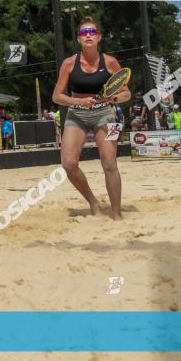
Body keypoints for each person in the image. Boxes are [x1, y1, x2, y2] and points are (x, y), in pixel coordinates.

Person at [52, 17, 130, 220]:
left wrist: (112, 97)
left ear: (99, 37)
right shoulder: (69, 63)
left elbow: (126, 94)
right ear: (79, 38)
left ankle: (117, 214)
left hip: (106, 113)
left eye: (92, 32)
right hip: (76, 113)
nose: (88, 35)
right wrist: (79, 102)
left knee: (110, 162)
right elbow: (56, 96)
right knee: (68, 164)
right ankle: (93, 202)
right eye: (84, 33)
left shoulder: (110, 62)